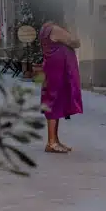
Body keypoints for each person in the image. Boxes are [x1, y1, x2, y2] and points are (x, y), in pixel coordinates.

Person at [39, 17, 83, 153]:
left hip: (53, 69)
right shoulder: (55, 29)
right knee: (53, 103)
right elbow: (75, 42)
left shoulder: (44, 29)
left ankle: (55, 140)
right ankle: (51, 142)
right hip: (56, 72)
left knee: (56, 104)